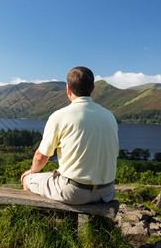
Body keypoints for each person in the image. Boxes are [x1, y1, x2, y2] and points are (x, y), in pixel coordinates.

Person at [21, 66, 118, 204]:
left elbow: (40, 157)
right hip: (107, 192)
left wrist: (32, 172)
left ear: (68, 89)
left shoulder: (60, 116)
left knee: (28, 179)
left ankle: (38, 221)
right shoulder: (109, 116)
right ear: (92, 88)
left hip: (75, 192)